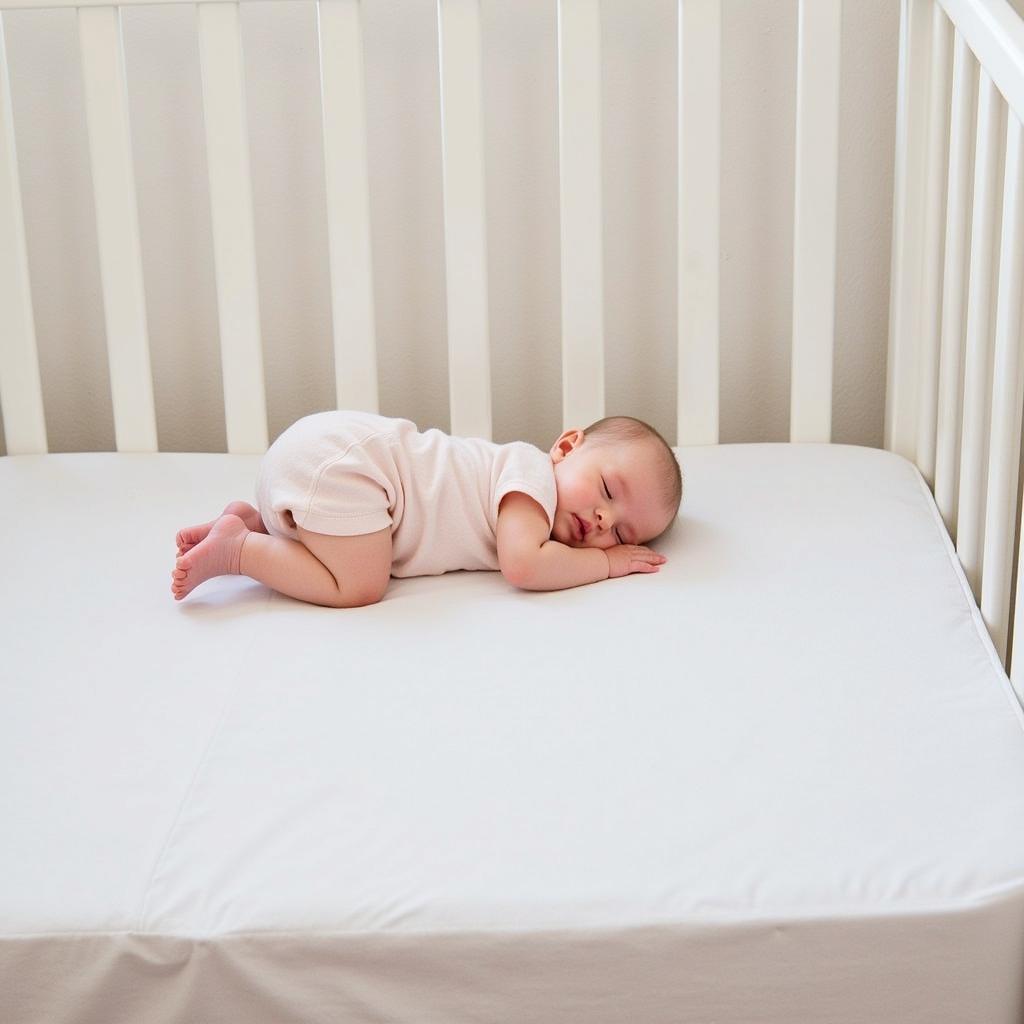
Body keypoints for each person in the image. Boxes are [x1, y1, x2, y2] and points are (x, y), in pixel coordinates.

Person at [171, 410, 683, 607]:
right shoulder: (532, 483)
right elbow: (524, 566)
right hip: (345, 468)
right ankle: (239, 550)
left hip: (318, 464)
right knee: (361, 584)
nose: (602, 522)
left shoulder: (533, 487)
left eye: (621, 534)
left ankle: (256, 521)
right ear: (567, 448)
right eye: (608, 493)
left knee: (348, 550)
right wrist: (608, 562)